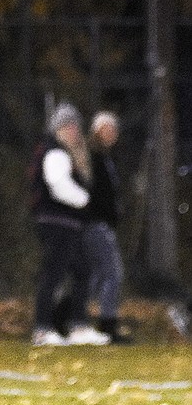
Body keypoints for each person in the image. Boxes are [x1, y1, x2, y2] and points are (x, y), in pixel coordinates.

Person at [27, 102, 109, 346]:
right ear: (58, 128)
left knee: (82, 271)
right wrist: (84, 200)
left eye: (76, 126)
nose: (74, 130)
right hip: (57, 222)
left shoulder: (62, 151)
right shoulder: (55, 152)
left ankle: (78, 325)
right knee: (53, 274)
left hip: (66, 223)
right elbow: (58, 185)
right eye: (68, 126)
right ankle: (43, 328)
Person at [85, 111, 130, 344]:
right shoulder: (93, 156)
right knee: (112, 273)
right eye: (107, 129)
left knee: (94, 276)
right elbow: (94, 192)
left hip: (99, 223)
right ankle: (107, 323)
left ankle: (68, 316)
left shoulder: (104, 156)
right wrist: (106, 212)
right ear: (97, 130)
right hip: (96, 224)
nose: (112, 134)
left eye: (114, 130)